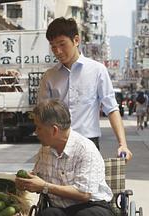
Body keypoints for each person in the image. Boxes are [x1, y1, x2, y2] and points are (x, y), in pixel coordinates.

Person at [37, 17, 132, 161]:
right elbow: (42, 114)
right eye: (53, 46)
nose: (58, 51)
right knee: (55, 184)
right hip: (56, 144)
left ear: (76, 40)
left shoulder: (97, 70)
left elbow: (112, 109)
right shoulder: (49, 76)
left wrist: (122, 144)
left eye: (62, 44)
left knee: (88, 184)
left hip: (89, 143)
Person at [15, 99, 114, 216]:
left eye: (39, 127)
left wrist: (45, 186)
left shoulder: (85, 149)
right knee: (47, 214)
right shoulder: (44, 150)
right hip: (61, 209)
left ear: (54, 130)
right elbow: (38, 178)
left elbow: (84, 194)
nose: (36, 132)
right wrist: (28, 183)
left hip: (92, 206)